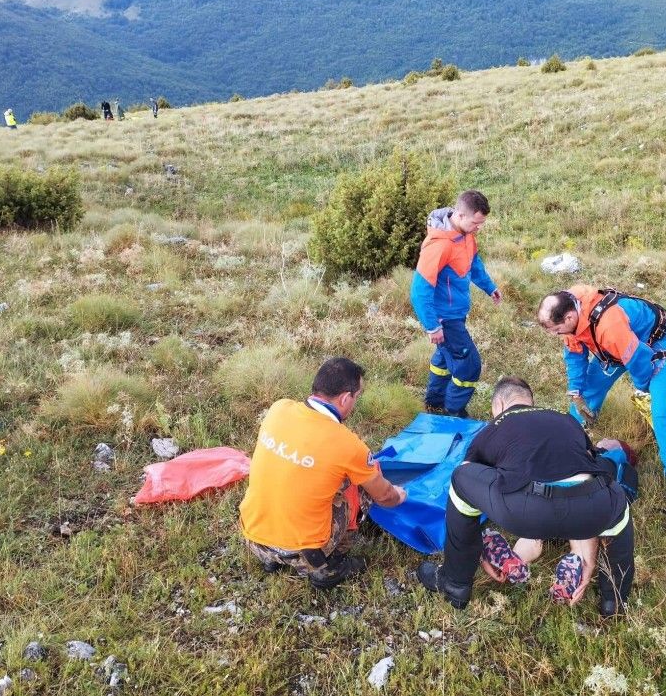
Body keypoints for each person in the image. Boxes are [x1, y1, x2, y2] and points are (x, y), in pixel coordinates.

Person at [417, 377, 634, 615]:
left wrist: (474, 541)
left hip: (525, 511)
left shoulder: (495, 426)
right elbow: (588, 469)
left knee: (461, 479)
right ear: (531, 403)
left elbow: (472, 471)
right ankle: (613, 599)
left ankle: (455, 583)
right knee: (618, 506)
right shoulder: (567, 421)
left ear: (498, 406)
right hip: (590, 509)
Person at [239, 357, 406, 589]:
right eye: (357, 397)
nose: (355, 403)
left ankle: (271, 557)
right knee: (359, 486)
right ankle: (329, 566)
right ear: (345, 398)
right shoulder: (348, 445)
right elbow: (385, 496)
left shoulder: (279, 408)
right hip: (304, 552)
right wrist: (398, 494)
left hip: (254, 536)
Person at [537, 286, 666, 495]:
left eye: (556, 330)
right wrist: (575, 389)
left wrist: (645, 388)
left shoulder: (609, 326)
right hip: (615, 350)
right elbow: (574, 352)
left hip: (655, 345)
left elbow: (638, 361)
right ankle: (564, 453)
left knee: (661, 411)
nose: (554, 335)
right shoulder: (570, 309)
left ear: (568, 318)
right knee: (585, 397)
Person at [410, 190, 501, 417]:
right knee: (469, 365)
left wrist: (490, 287)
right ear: (460, 215)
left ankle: (434, 403)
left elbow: (474, 264)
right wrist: (433, 326)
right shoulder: (439, 245)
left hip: (457, 314)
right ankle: (454, 411)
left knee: (444, 358)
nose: (479, 227)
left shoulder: (466, 236)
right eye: (476, 222)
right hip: (445, 318)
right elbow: (419, 290)